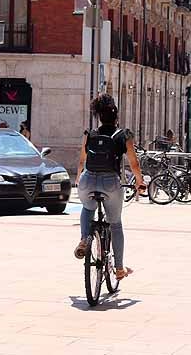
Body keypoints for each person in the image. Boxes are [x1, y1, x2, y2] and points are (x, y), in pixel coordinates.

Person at [75, 94, 145, 281]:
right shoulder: (124, 135)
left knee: (87, 207)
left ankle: (84, 239)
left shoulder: (90, 134)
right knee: (115, 224)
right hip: (110, 183)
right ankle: (120, 268)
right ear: (116, 117)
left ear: (99, 116)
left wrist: (78, 178)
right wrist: (139, 182)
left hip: (87, 179)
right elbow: (134, 164)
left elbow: (82, 160)